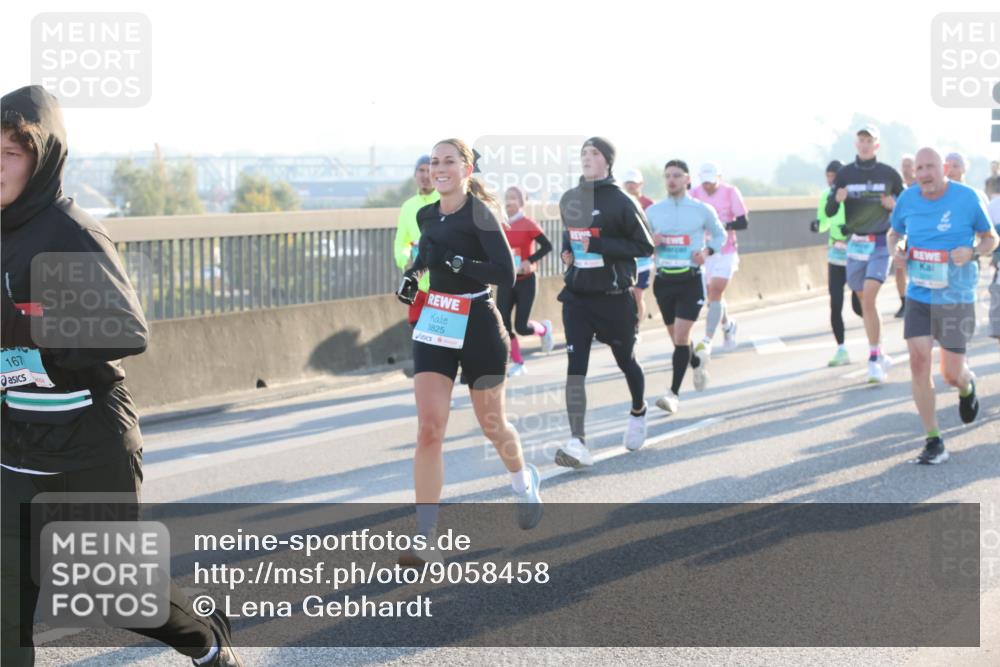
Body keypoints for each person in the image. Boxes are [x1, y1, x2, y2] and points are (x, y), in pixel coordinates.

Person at [0, 87, 243, 666]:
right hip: (14, 451)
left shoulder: (68, 233)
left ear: (43, 158)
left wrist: (24, 325)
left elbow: (125, 330)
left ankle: (205, 641)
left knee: (117, 596)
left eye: (10, 153)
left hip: (87, 446)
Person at [398, 139, 542, 565]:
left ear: (467, 169)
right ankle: (426, 537)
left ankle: (521, 480)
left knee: (492, 424)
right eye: (434, 162)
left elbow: (505, 273)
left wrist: (457, 263)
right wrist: (414, 275)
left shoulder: (481, 213)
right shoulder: (426, 214)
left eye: (448, 162)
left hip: (478, 320)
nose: (439, 169)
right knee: (429, 428)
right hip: (436, 320)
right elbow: (427, 256)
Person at [888, 147, 997, 464]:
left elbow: (991, 238)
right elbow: (894, 232)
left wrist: (973, 251)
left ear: (944, 169)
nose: (924, 173)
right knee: (918, 360)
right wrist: (896, 249)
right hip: (920, 294)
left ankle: (967, 385)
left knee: (951, 374)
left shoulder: (966, 197)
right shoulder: (908, 199)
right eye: (919, 167)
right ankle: (933, 439)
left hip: (956, 297)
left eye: (930, 167)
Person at [554, 137, 654, 467]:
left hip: (613, 298)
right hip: (577, 297)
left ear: (607, 162)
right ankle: (577, 442)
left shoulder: (622, 201)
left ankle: (639, 410)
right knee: (575, 370)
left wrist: (600, 244)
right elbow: (570, 238)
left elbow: (645, 246)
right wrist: (567, 253)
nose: (587, 158)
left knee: (626, 360)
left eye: (594, 153)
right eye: (583, 153)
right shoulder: (569, 198)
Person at [645, 159, 726, 412]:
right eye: (667, 175)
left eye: (677, 175)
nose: (672, 180)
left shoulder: (702, 209)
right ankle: (697, 362)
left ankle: (673, 395)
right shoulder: (654, 212)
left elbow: (720, 235)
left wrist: (708, 250)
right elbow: (640, 242)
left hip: (690, 279)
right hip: (664, 281)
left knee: (681, 336)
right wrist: (651, 241)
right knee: (679, 341)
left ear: (687, 179)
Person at [826, 125, 903, 384]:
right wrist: (837, 199)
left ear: (877, 145)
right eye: (861, 140)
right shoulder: (845, 174)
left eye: (869, 140)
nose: (865, 144)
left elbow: (907, 207)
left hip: (881, 243)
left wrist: (895, 206)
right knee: (864, 301)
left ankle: (873, 359)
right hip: (855, 245)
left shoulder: (889, 174)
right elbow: (828, 210)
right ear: (856, 144)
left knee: (869, 298)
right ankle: (880, 351)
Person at [496, 186, 554, 377]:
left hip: (526, 281)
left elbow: (547, 246)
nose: (509, 201)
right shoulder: (501, 225)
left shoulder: (528, 223)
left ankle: (544, 329)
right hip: (507, 281)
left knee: (521, 327)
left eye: (513, 198)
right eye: (507, 197)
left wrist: (530, 261)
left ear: (521, 202)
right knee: (503, 324)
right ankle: (518, 362)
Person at [690, 163, 747, 357]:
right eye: (704, 182)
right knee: (713, 298)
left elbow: (743, 221)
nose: (707, 186)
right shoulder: (694, 193)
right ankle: (728, 325)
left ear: (719, 178)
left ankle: (707, 339)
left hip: (726, 250)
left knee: (715, 291)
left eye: (711, 183)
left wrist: (724, 224)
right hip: (705, 252)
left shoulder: (731, 192)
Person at [810, 160, 855, 366]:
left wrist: (851, 229)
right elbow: (825, 220)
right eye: (827, 176)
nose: (830, 180)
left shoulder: (853, 194)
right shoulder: (826, 196)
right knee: (835, 302)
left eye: (833, 176)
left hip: (856, 253)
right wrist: (817, 225)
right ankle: (841, 349)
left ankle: (876, 341)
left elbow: (864, 219)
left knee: (860, 305)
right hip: (835, 255)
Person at [394, 155, 441, 325]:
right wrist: (404, 260)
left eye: (429, 170)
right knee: (417, 334)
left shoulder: (445, 201)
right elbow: (401, 241)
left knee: (441, 343)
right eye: (421, 170)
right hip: (418, 285)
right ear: (415, 175)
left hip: (443, 287)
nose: (425, 175)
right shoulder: (408, 206)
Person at [622, 168, 655, 337]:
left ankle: (635, 329)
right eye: (628, 183)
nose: (630, 186)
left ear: (640, 184)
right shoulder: (619, 202)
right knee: (625, 296)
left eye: (633, 183)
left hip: (644, 260)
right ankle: (626, 326)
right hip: (625, 259)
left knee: (637, 294)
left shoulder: (649, 205)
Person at [893, 154, 918, 318]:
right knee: (899, 267)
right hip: (902, 234)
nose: (906, 169)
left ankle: (917, 300)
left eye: (909, 165)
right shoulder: (897, 188)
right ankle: (904, 302)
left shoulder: (920, 187)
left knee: (916, 268)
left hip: (917, 234)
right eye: (903, 165)